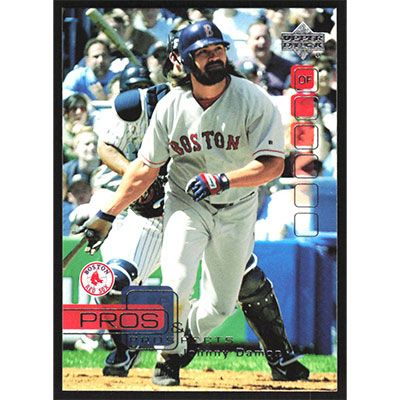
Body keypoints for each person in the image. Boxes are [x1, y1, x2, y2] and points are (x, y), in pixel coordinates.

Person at [76, 21, 309, 386]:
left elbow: (273, 165)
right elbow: (144, 168)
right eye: (203, 52)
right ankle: (167, 359)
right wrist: (107, 214)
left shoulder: (252, 99)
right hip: (186, 202)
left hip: (237, 205)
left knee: (220, 306)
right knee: (177, 282)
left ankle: (185, 337)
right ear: (184, 60)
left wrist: (223, 179)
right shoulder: (170, 106)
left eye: (218, 49)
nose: (214, 57)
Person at [244, 21, 293, 96]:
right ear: (248, 41)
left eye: (265, 37)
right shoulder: (239, 69)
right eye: (257, 38)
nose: (262, 42)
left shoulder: (288, 68)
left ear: (271, 40)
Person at [63, 94, 93, 161]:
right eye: (74, 109)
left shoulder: (93, 132)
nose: (79, 112)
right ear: (66, 113)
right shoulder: (63, 135)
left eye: (82, 109)